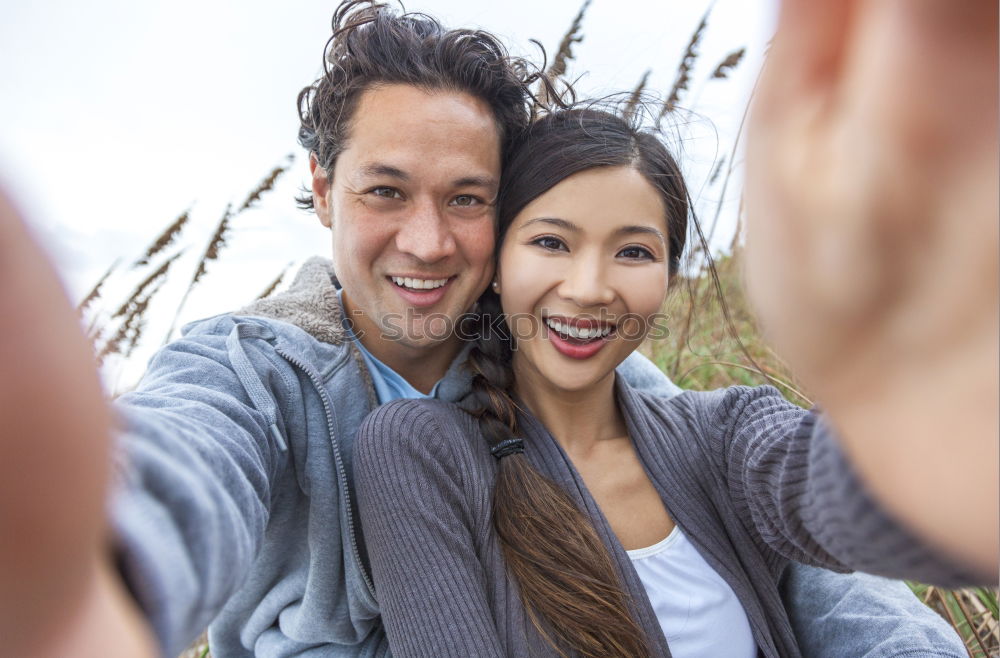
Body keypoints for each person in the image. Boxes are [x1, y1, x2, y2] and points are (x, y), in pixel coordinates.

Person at [0, 0, 990, 657]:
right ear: (321, 190)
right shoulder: (253, 372)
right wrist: (92, 572)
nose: (426, 242)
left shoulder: (600, 379)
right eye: (386, 190)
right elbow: (179, 461)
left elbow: (810, 567)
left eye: (467, 198)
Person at [354, 104, 992, 658]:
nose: (589, 289)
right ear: (496, 264)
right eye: (551, 242)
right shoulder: (420, 453)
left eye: (634, 252)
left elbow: (869, 497)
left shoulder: (725, 432)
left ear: (667, 277)